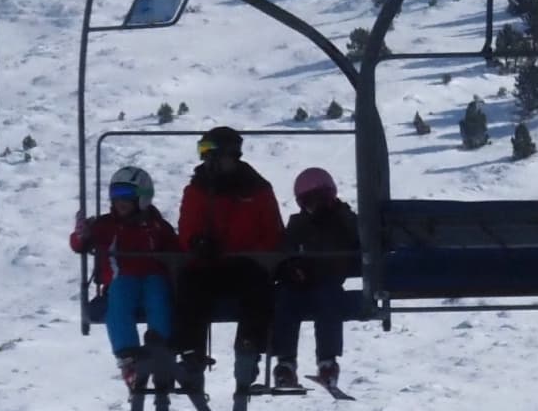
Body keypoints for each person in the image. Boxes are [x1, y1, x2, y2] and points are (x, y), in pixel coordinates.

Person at [174, 126, 284, 393]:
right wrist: (196, 243)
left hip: (243, 265)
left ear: (230, 155)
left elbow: (273, 234)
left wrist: (247, 252)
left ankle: (248, 351)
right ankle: (191, 356)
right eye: (204, 154)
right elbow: (187, 227)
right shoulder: (197, 189)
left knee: (258, 287)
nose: (207, 161)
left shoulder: (256, 189)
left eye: (211, 154)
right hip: (207, 264)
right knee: (189, 285)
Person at [70, 166, 178, 393]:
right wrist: (81, 234)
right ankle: (129, 358)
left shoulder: (157, 226)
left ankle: (160, 351)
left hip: (153, 279)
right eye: (116, 195)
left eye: (127, 196)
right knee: (118, 297)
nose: (121, 202)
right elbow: (80, 245)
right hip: (121, 282)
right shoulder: (105, 225)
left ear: (143, 197)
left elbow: (176, 250)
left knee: (158, 294)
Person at [270, 167, 356, 390]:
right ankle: (285, 364)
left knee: (329, 301)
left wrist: (341, 216)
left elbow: (359, 242)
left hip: (328, 280)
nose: (316, 206)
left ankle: (327, 362)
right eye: (310, 201)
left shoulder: (343, 219)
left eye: (322, 199)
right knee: (284, 300)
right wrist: (290, 268)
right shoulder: (298, 224)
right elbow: (285, 251)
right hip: (300, 283)